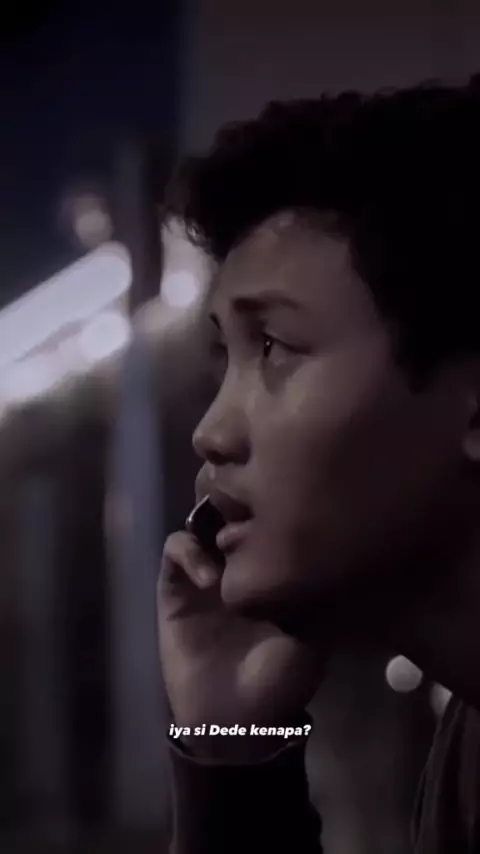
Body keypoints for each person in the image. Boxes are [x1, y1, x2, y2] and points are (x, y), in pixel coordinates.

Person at [157, 76, 480, 853]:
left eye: (273, 347)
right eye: (224, 359)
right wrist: (232, 747)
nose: (210, 433)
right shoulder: (468, 751)